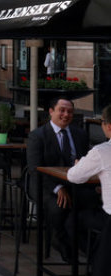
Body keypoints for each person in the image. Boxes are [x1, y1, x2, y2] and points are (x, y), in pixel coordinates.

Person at [27, 96, 91, 262]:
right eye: (61, 110)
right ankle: (60, 240)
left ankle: (88, 247)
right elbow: (35, 169)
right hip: (45, 184)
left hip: (74, 183)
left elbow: (86, 161)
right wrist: (57, 188)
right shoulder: (37, 136)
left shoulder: (80, 134)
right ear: (51, 112)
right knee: (59, 206)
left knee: (91, 201)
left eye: (69, 111)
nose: (65, 114)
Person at [68, 105, 111, 276]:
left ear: (108, 127)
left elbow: (74, 176)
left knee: (74, 219)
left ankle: (90, 258)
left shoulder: (102, 151)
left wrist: (80, 164)